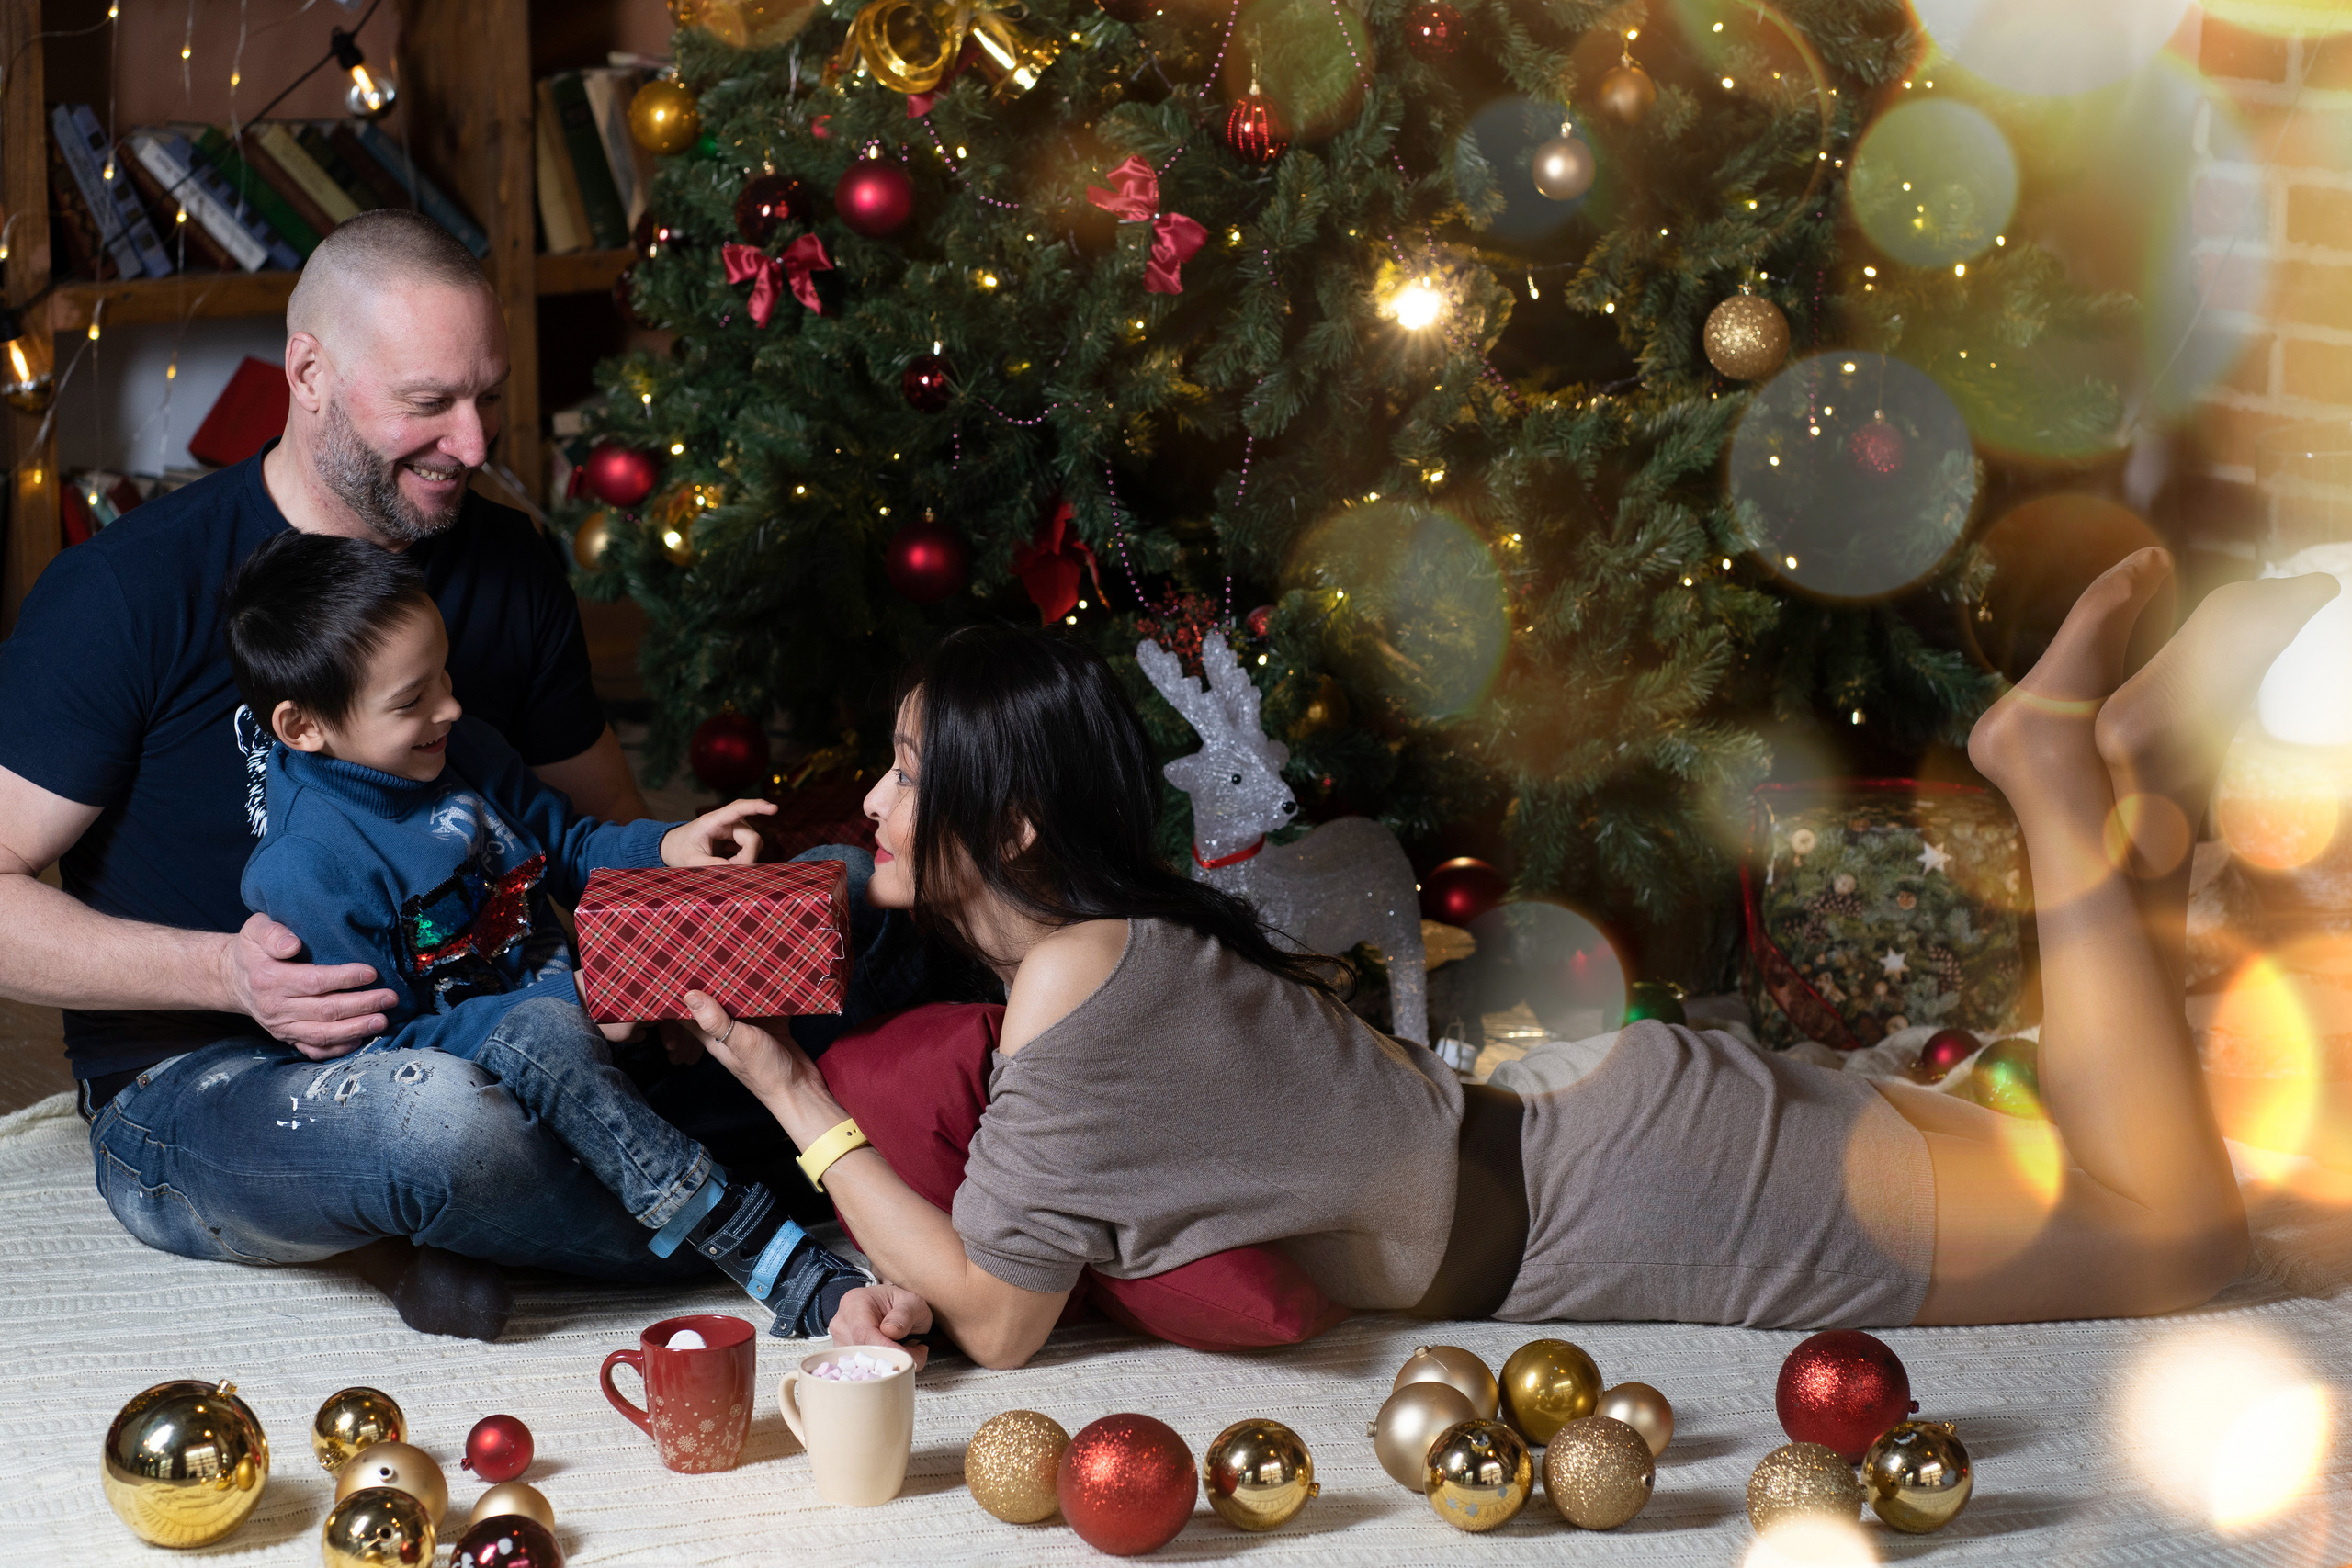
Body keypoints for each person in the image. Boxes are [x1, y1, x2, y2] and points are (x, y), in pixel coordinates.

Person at [670, 553, 2338, 1369]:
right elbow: (1025, 1251)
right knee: (2133, 1192)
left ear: (1012, 824)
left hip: (1658, 1193)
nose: (873, 802)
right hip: (1604, 1129)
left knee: (2178, 1247)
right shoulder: (1106, 963)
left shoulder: (1067, 999)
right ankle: (2094, 777)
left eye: (903, 768)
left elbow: (998, 1316)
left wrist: (791, 1088)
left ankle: (2055, 770)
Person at [0, 210, 904, 1338]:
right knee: (445, 1128)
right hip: (214, 1082)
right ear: (311, 373)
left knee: (834, 934)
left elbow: (594, 822)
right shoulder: (130, 591)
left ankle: (553, 1213)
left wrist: (658, 967)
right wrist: (233, 975)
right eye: (429, 403)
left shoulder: (506, 565)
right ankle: (801, 1236)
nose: (475, 445)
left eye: (485, 394)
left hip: (517, 1003)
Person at [220, 530, 867, 1336]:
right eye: (413, 699)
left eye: (446, 676)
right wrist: (575, 1003)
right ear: (303, 724)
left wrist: (670, 848)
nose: (450, 707)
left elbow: (568, 848)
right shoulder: (305, 866)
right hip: (519, 1085)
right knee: (544, 1031)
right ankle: (765, 1252)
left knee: (842, 873)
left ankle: (884, 1128)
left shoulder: (459, 748)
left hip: (607, 1028)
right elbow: (381, 1051)